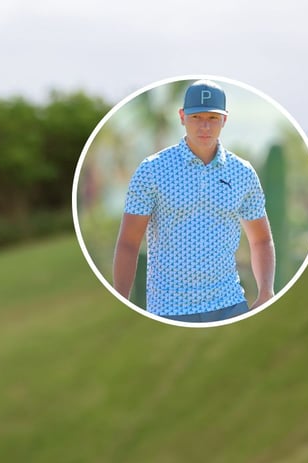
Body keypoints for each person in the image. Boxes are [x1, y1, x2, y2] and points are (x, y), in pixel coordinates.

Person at [112, 80, 276, 323]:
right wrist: (122, 304)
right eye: (196, 117)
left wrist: (265, 292)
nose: (204, 126)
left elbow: (261, 240)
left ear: (224, 120)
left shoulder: (243, 172)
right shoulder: (152, 170)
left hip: (229, 305)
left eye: (212, 117)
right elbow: (128, 243)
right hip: (168, 309)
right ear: (182, 117)